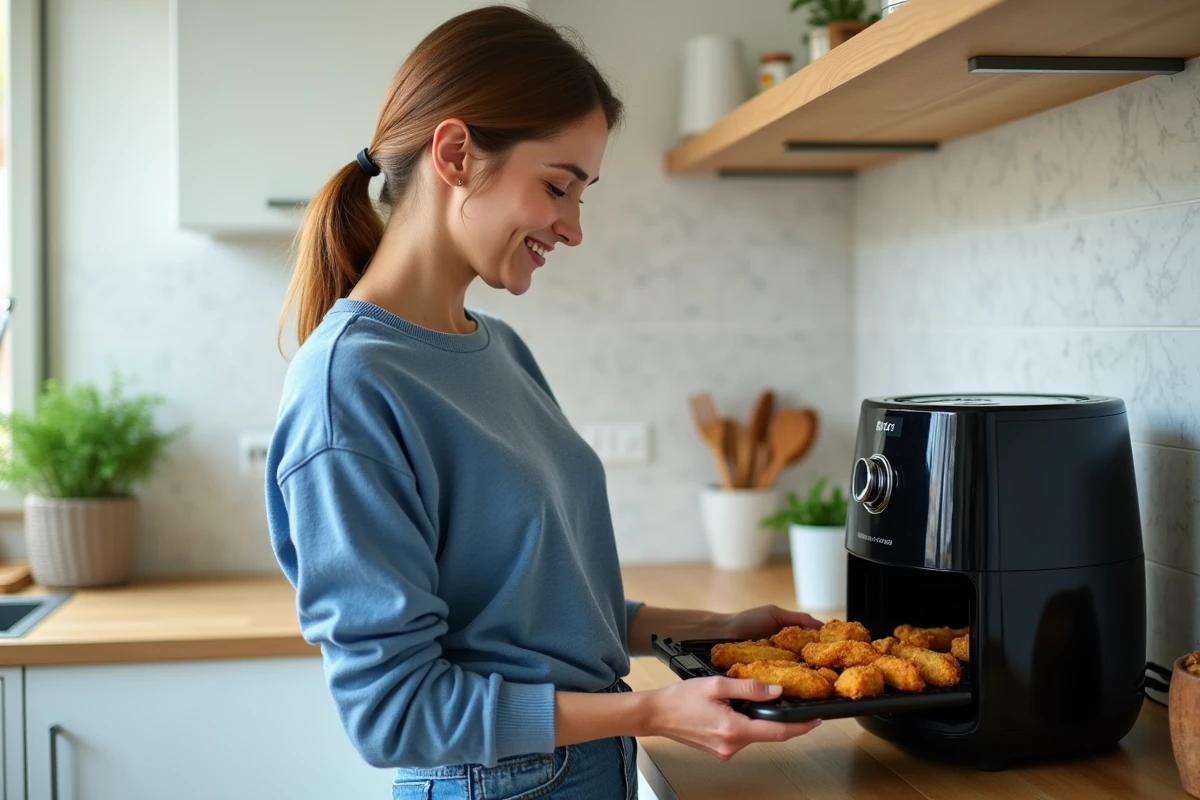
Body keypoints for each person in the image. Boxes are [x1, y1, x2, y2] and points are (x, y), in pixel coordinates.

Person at [265, 6, 823, 798]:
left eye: (582, 193)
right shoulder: (350, 389)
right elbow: (394, 715)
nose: (573, 227)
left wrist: (716, 633)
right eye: (558, 186)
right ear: (456, 153)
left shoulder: (497, 347)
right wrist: (653, 712)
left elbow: (543, 613)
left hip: (578, 774)